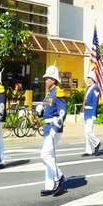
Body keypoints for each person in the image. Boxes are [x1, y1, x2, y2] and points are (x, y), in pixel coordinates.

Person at [36, 64, 67, 196]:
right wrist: (39, 112)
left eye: (48, 78)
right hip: (48, 127)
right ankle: (50, 185)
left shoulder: (58, 92)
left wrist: (55, 129)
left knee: (45, 155)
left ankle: (59, 177)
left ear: (54, 80)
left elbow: (62, 112)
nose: (46, 80)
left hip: (54, 128)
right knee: (50, 156)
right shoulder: (49, 94)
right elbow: (47, 112)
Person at [82, 71, 101, 157]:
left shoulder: (95, 88)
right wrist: (83, 112)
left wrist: (94, 114)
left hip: (91, 113)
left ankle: (96, 142)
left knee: (88, 130)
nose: (88, 80)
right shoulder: (89, 88)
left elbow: (95, 102)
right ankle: (88, 150)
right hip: (87, 113)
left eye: (89, 78)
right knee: (86, 133)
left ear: (92, 79)